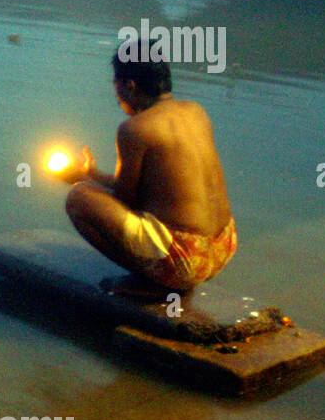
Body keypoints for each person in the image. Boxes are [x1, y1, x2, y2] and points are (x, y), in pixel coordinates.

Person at [53, 39, 236, 294]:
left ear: (130, 86)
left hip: (186, 262)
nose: (117, 99)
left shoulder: (135, 129)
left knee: (78, 198)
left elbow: (125, 201)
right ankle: (166, 276)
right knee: (90, 188)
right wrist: (92, 174)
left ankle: (152, 283)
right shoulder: (196, 111)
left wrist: (79, 181)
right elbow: (151, 191)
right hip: (222, 248)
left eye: (117, 89)